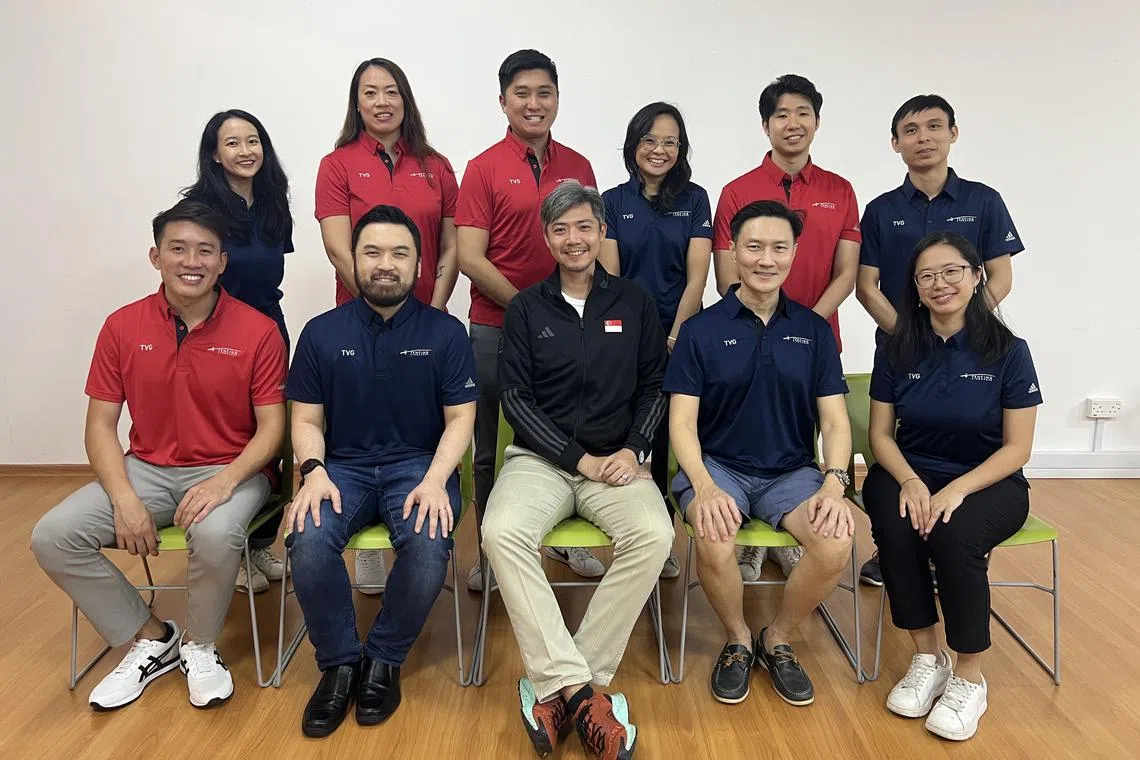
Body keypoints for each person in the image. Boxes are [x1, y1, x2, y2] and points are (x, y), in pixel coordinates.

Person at [30, 200, 287, 711]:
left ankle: (200, 646)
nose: (191, 260)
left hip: (233, 468)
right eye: (178, 249)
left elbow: (272, 430)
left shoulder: (258, 330)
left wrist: (225, 481)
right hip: (146, 469)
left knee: (215, 532)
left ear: (222, 262)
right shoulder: (122, 326)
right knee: (53, 536)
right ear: (156, 256)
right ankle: (151, 637)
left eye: (205, 251)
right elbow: (101, 426)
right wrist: (124, 498)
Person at [481, 181, 673, 759]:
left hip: (616, 461)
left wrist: (635, 448)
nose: (574, 239)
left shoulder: (635, 302)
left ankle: (562, 684)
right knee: (499, 532)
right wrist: (577, 459)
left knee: (655, 534)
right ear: (546, 237)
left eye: (584, 227)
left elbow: (657, 385)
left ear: (601, 232)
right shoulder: (525, 308)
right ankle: (583, 691)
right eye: (561, 229)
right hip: (541, 462)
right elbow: (514, 399)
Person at [284, 205, 477, 738]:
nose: (385, 264)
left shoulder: (445, 333)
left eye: (399, 253)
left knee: (428, 535)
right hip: (340, 467)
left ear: (420, 264)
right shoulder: (321, 333)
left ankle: (385, 659)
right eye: (372, 252)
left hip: (418, 466)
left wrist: (437, 479)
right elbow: (304, 416)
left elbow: (461, 419)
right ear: (354, 261)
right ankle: (340, 664)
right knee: (308, 534)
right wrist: (313, 472)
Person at [666, 200, 855, 707]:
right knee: (712, 530)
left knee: (836, 543)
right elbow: (681, 422)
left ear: (795, 252)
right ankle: (737, 639)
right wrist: (704, 486)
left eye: (778, 247)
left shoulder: (814, 332)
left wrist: (835, 484)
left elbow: (835, 421)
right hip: (718, 467)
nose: (765, 259)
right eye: (753, 247)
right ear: (733, 251)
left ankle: (778, 638)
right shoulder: (701, 330)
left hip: (791, 473)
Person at [862, 231, 1040, 741]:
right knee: (895, 529)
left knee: (954, 535)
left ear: (977, 275)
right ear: (915, 289)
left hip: (989, 479)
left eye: (952, 272)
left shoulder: (1009, 351)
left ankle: (968, 676)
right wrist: (913, 481)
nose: (940, 284)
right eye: (927, 276)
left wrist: (958, 489)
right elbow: (880, 434)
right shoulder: (898, 349)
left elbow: (1017, 449)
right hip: (910, 469)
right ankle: (926, 655)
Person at [855, 94, 1027, 587]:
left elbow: (1000, 275)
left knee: (969, 435)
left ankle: (960, 542)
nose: (923, 137)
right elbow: (866, 286)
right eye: (910, 130)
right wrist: (913, 335)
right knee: (904, 440)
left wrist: (962, 326)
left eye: (934, 126)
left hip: (972, 344)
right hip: (900, 347)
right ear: (895, 143)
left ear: (953, 133)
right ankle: (898, 546)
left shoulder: (984, 200)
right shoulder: (881, 210)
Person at [456, 49, 601, 592]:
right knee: (491, 440)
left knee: (567, 427)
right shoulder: (483, 167)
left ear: (557, 99)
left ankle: (562, 535)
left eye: (544, 93)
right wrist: (528, 309)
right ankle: (494, 551)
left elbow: (593, 239)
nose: (534, 104)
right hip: (496, 324)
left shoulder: (579, 166)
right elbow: (471, 255)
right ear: (503, 101)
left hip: (575, 323)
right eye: (522, 94)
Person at [314, 58, 461, 590]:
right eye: (370, 92)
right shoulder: (338, 164)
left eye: (391, 91)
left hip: (428, 321)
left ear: (406, 99)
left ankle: (416, 517)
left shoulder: (437, 165)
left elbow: (449, 245)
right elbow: (337, 245)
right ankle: (366, 535)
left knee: (419, 426)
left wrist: (433, 309)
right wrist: (382, 305)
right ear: (357, 103)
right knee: (358, 423)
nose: (381, 101)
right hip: (360, 317)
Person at [710, 74, 860, 582]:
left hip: (815, 331)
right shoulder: (737, 191)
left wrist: (802, 328)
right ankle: (751, 539)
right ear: (765, 125)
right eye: (781, 115)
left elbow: (848, 272)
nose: (792, 123)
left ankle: (791, 523)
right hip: (748, 333)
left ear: (817, 120)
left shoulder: (840, 191)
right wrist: (768, 327)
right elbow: (728, 274)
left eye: (802, 113)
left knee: (804, 437)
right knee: (749, 430)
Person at [600, 102, 713, 580]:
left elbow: (697, 277)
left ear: (681, 148)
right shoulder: (611, 200)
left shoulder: (696, 198)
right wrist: (637, 340)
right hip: (625, 334)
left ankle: (663, 533)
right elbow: (610, 278)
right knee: (630, 428)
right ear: (633, 145)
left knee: (673, 433)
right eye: (649, 140)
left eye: (670, 141)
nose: (659, 150)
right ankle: (630, 529)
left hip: (681, 334)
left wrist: (673, 335)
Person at [183, 108, 294, 594]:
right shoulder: (200, 208)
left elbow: (270, 272)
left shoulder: (273, 201)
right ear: (214, 153)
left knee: (279, 433)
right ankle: (227, 546)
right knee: (231, 432)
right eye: (233, 143)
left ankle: (261, 544)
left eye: (253, 141)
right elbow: (191, 274)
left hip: (269, 327)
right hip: (219, 332)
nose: (245, 151)